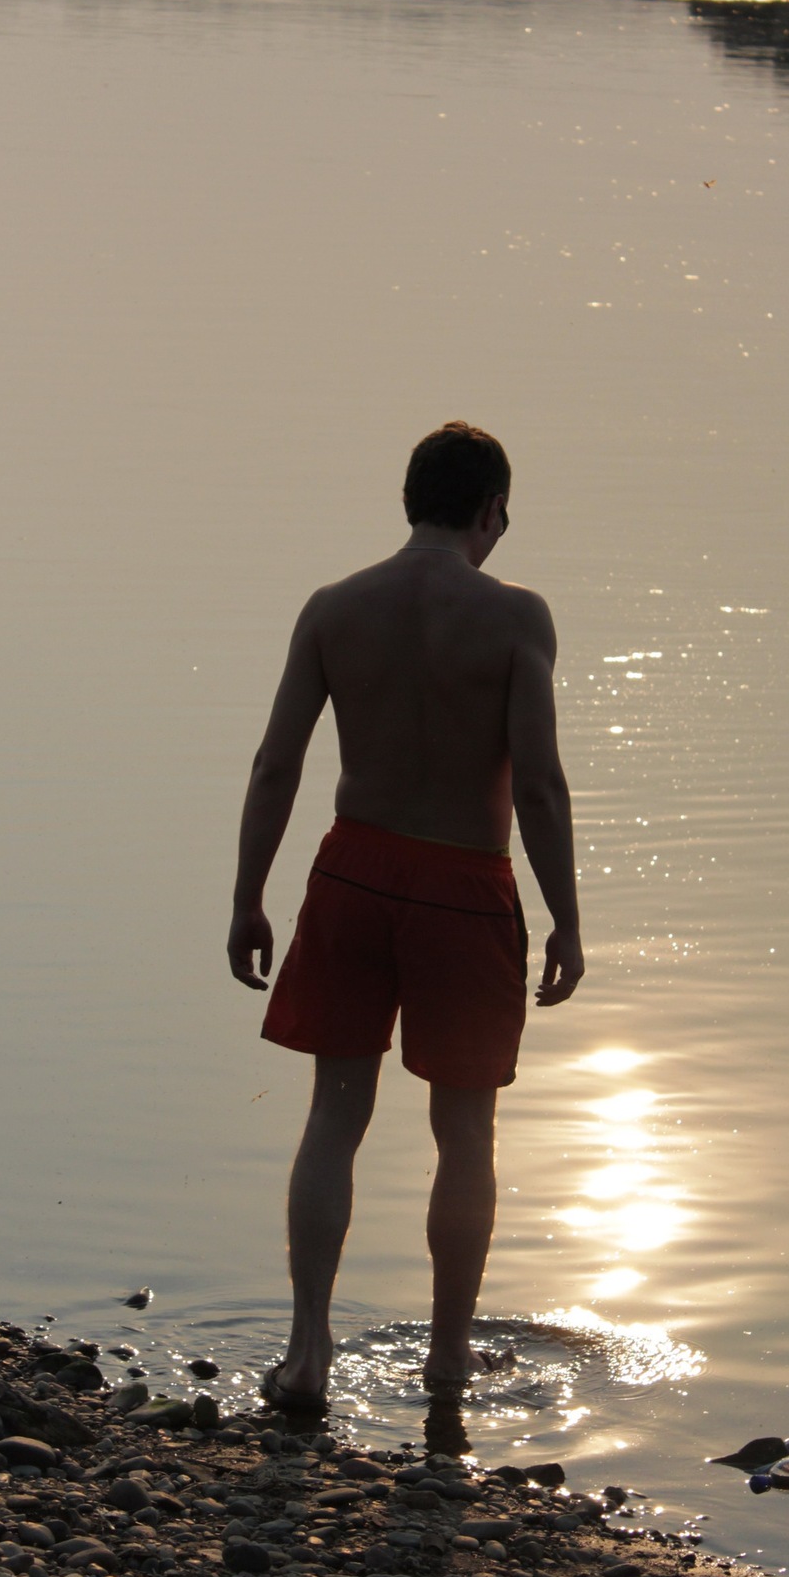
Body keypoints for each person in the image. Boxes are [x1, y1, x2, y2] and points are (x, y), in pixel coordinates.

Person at [227, 422, 583, 1411]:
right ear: (490, 511)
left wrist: (249, 895)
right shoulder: (517, 618)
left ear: (409, 501)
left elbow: (276, 763)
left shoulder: (334, 607)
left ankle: (307, 1353)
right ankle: (448, 1358)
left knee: (334, 1113)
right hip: (464, 888)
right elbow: (539, 784)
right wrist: (565, 918)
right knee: (464, 1130)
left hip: (353, 874)